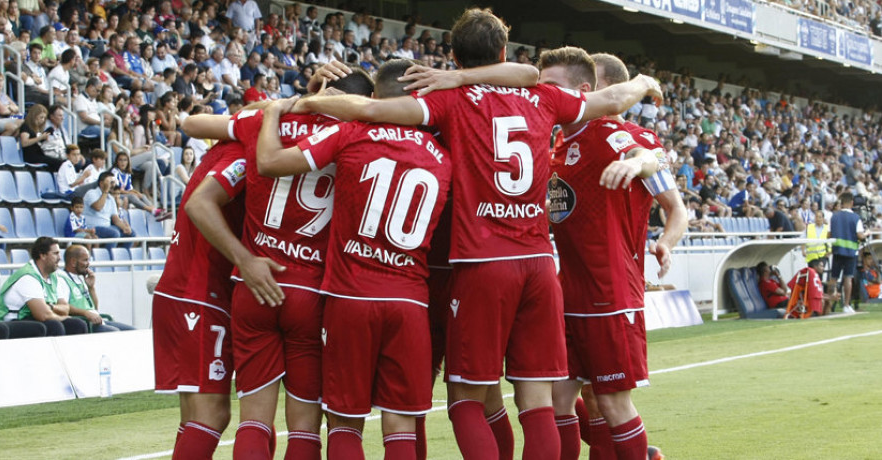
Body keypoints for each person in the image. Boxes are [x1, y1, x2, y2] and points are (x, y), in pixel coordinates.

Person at [290, 9, 662, 459]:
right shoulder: (540, 96)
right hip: (532, 264)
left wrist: (304, 100)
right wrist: (643, 82)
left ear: (451, 56)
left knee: (435, 403)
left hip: (442, 271)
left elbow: (367, 107)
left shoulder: (443, 101)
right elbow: (586, 92)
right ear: (502, 52)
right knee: (534, 401)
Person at [255, 59, 451, 459]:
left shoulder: (351, 133)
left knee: (345, 421)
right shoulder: (444, 157)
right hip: (410, 300)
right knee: (401, 424)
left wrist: (291, 105)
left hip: (350, 298)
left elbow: (271, 163)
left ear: (373, 99)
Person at [182, 65, 374, 460]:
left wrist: (279, 106)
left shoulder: (268, 119)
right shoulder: (357, 134)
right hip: (311, 288)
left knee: (254, 420)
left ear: (322, 88)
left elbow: (191, 123)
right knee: (304, 426)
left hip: (254, 282)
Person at [542, 48, 671, 460]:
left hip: (610, 295)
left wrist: (641, 164)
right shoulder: (558, 145)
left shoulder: (613, 134)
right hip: (568, 294)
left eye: (552, 87)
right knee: (556, 399)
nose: (544, 95)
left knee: (611, 402)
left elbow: (647, 154)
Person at [151, 141, 251, 458]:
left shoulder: (215, 153)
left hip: (178, 291)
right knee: (214, 414)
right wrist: (245, 259)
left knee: (194, 415)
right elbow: (199, 205)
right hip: (201, 296)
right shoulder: (239, 158)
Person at [0, 237, 88, 336]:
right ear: (42, 255)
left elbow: (65, 309)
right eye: (55, 253)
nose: (59, 257)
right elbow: (43, 315)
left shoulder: (54, 276)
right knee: (54, 325)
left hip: (32, 318)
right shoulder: (28, 277)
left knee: (77, 324)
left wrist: (50, 307)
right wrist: (61, 316)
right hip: (13, 320)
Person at [60, 244, 135, 332]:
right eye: (85, 260)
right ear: (73, 262)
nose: (88, 264)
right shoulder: (62, 278)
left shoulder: (81, 277)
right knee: (114, 333)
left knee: (133, 331)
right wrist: (86, 313)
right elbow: (63, 306)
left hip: (96, 321)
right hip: (84, 323)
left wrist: (91, 288)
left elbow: (95, 308)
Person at [830, 192, 864, 313]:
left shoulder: (834, 216)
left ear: (841, 202)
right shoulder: (856, 217)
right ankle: (846, 305)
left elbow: (829, 233)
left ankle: (828, 304)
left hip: (837, 251)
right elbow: (860, 235)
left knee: (833, 278)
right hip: (850, 252)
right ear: (851, 203)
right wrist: (868, 233)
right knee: (848, 278)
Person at [83, 172, 135, 249]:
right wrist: (105, 191)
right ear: (101, 183)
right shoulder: (91, 193)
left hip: (107, 227)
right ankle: (109, 257)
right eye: (110, 182)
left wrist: (124, 227)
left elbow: (115, 218)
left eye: (113, 182)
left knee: (131, 233)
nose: (112, 185)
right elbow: (98, 207)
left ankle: (123, 256)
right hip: (92, 228)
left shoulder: (110, 198)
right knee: (114, 233)